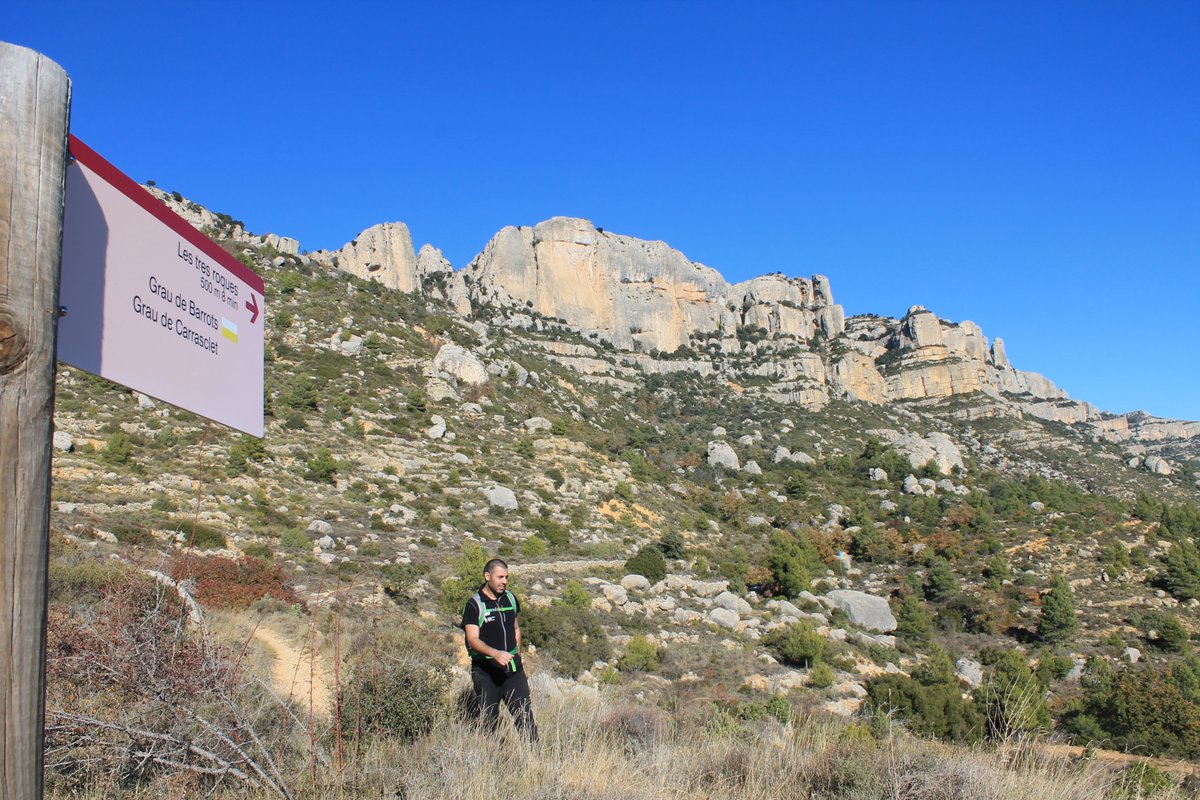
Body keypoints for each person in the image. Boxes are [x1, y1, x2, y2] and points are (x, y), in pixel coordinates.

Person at [460, 558, 538, 740]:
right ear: (487, 576)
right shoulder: (474, 605)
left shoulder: (510, 599)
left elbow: (516, 629)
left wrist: (518, 656)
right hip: (486, 673)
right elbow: (472, 639)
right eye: (500, 577)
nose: (504, 581)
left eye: (506, 577)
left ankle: (535, 756)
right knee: (488, 721)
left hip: (513, 672)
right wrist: (495, 653)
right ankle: (491, 754)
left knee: (525, 718)